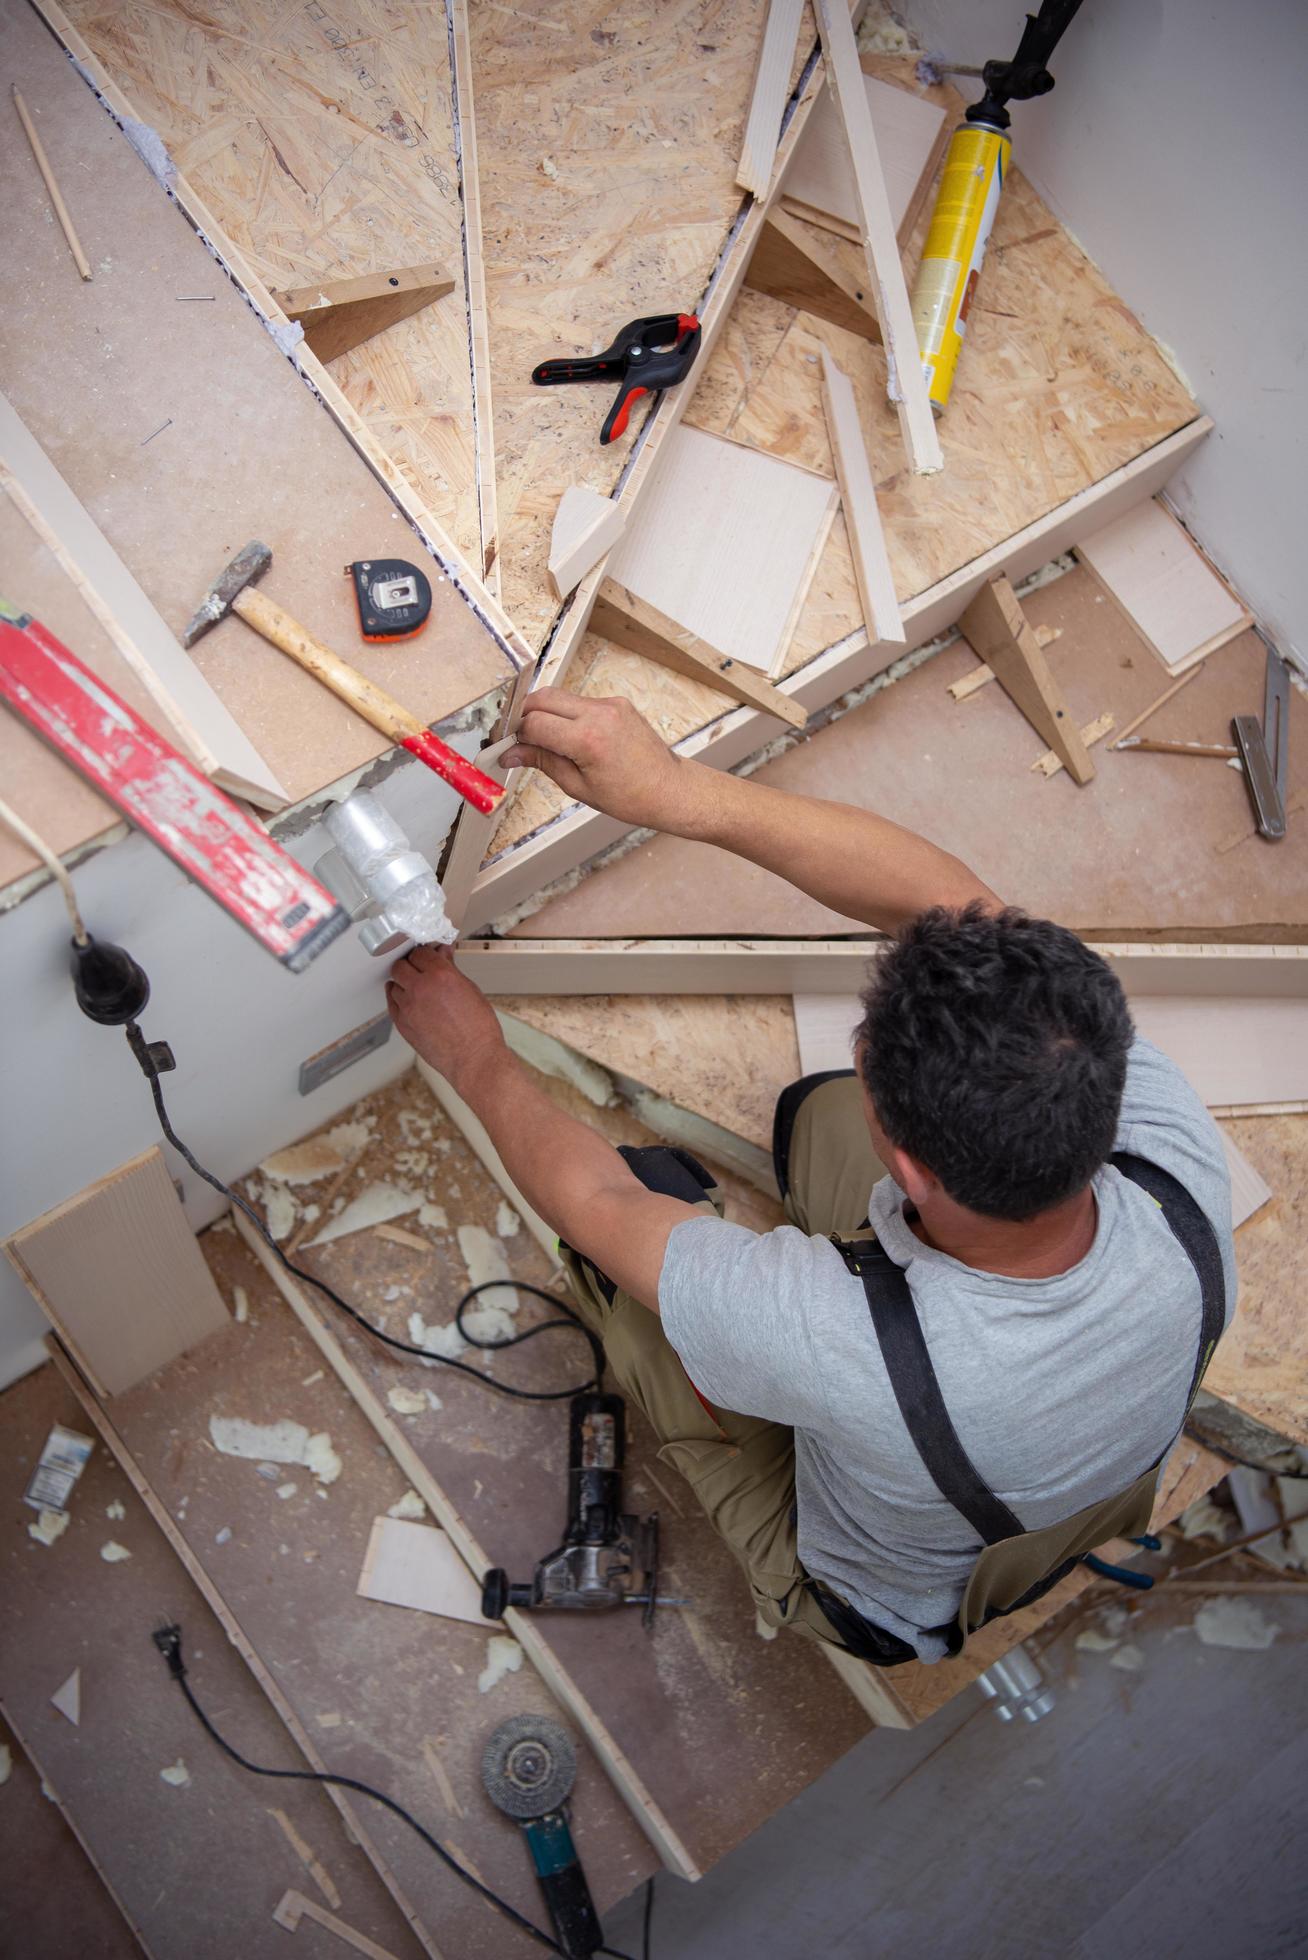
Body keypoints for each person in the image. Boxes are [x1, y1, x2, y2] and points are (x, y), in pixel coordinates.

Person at [386, 691, 1235, 1666]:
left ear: (909, 1166)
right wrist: (675, 792)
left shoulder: (837, 1341)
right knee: (813, 1117)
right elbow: (948, 902)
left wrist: (474, 1055)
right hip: (1060, 1459)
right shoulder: (1169, 1156)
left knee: (625, 1237)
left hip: (878, 1585)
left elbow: (601, 1202)